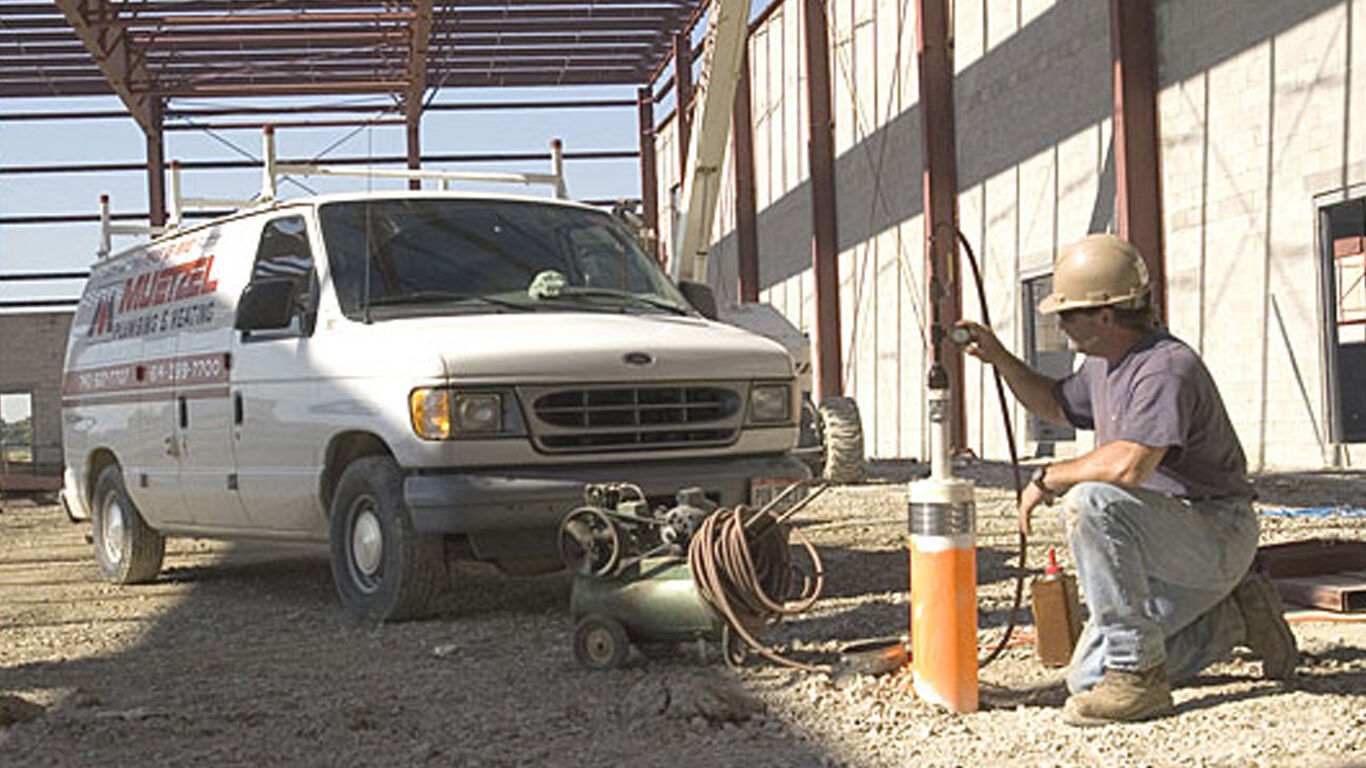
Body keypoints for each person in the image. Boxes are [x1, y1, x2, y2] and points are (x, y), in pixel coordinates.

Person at [955, 234, 1297, 727]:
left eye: (1068, 313)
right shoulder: (1103, 364)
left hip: (1215, 534)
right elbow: (1054, 403)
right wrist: (1000, 357)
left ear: (1106, 316)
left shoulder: (1165, 368)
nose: (1059, 322)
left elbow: (1130, 465)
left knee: (1093, 501)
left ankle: (1138, 679)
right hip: (1165, 539)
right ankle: (1236, 620)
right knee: (1087, 679)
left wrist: (1048, 477)